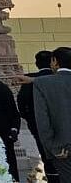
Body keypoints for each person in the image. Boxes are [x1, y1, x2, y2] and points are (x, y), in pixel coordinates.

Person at [19, 50, 60, 182]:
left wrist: (29, 118)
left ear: (36, 63)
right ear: (52, 62)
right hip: (62, 125)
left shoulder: (29, 79)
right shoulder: (60, 78)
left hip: (36, 124)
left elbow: (22, 102)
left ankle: (52, 175)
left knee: (45, 152)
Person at [35, 47, 71, 181]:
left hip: (63, 148)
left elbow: (43, 120)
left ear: (55, 61)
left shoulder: (42, 83)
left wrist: (51, 147)